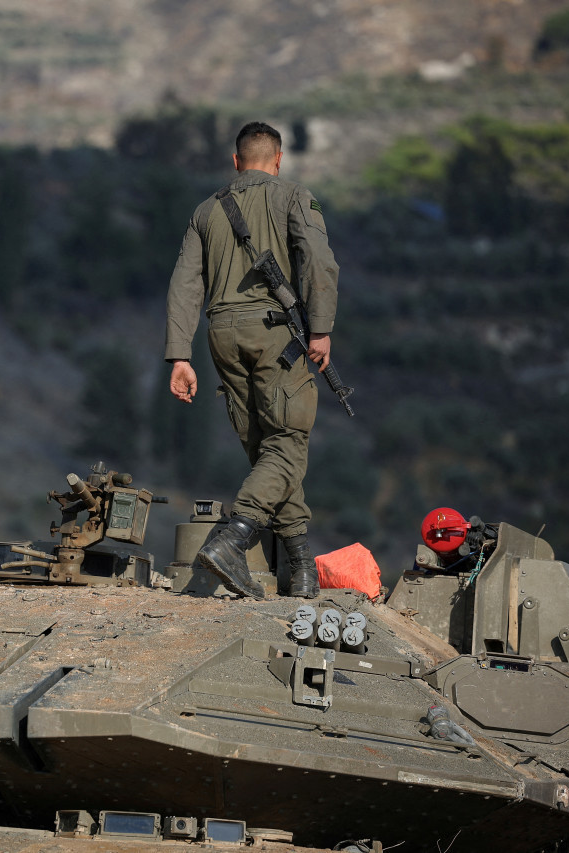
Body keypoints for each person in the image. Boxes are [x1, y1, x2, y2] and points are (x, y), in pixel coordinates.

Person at [164, 121, 339, 599]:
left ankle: (300, 570)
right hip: (274, 335)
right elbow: (319, 261)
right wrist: (320, 329)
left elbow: (184, 285)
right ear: (278, 160)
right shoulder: (293, 196)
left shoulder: (205, 211)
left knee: (270, 452)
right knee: (287, 442)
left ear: (236, 161)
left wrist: (180, 355)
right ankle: (232, 539)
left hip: (221, 336)